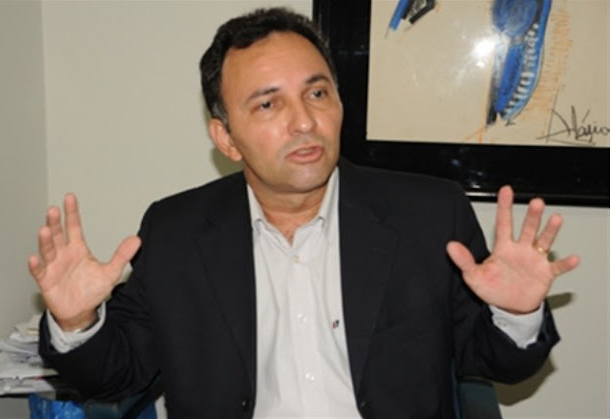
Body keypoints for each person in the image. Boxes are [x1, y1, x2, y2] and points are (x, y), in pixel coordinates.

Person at [29, 8, 580, 418]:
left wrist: (516, 314)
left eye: (317, 94)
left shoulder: (429, 216)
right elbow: (117, 375)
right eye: (268, 104)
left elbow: (493, 364)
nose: (303, 122)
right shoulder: (176, 232)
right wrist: (76, 324)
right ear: (226, 137)